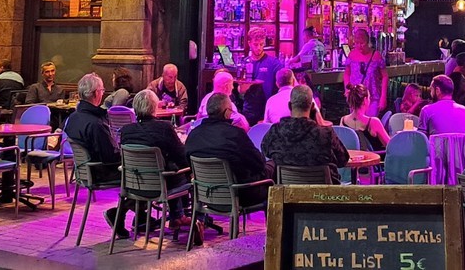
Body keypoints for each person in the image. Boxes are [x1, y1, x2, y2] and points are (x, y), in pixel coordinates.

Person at [118, 90, 199, 241]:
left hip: (135, 183)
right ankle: (187, 218)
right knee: (184, 172)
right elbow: (181, 156)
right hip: (160, 184)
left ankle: (176, 216)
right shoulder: (164, 128)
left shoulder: (126, 131)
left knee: (170, 168)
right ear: (155, 107)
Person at [63, 73, 134, 238]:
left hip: (84, 171)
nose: (103, 93)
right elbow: (109, 156)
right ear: (96, 93)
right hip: (101, 172)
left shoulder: (73, 118)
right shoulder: (94, 123)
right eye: (102, 90)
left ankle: (142, 217)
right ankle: (120, 214)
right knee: (142, 174)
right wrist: (127, 152)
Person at [183, 92, 266, 228]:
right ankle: (273, 238)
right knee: (270, 174)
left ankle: (199, 220)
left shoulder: (194, 134)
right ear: (227, 112)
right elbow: (258, 163)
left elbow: (187, 164)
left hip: (203, 195)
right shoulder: (235, 134)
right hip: (238, 193)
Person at [261, 85, 349, 178]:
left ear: (290, 106)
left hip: (287, 190)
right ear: (311, 107)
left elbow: (265, 151)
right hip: (321, 191)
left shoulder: (275, 132)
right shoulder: (326, 134)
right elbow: (343, 160)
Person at [343, 27, 386, 117]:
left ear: (368, 42)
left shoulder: (376, 55)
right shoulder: (352, 55)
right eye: (357, 43)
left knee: (370, 123)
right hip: (356, 97)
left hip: (373, 96)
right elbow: (347, 73)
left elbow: (385, 76)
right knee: (355, 124)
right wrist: (347, 89)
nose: (359, 46)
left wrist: (383, 97)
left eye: (362, 43)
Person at [340, 84, 390, 151]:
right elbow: (390, 146)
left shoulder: (343, 120)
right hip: (371, 159)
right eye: (369, 97)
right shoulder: (373, 122)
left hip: (350, 160)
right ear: (365, 100)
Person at [244, 34, 282, 121]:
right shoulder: (245, 62)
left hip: (268, 108)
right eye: (256, 44)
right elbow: (240, 90)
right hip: (249, 110)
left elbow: (285, 83)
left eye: (261, 44)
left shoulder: (274, 63)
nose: (259, 48)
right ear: (249, 43)